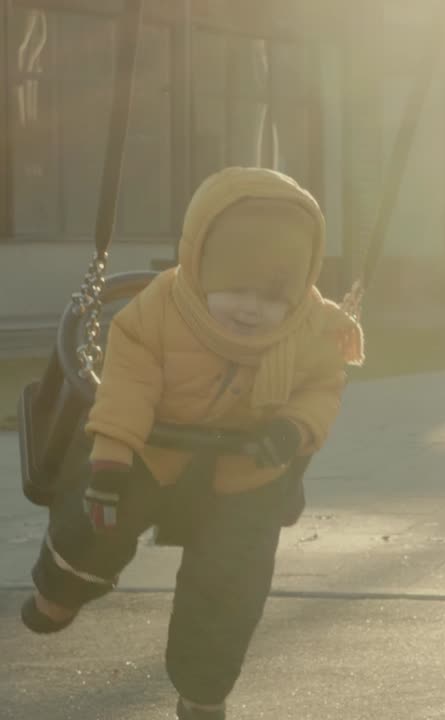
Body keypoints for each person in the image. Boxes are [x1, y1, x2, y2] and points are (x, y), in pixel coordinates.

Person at [20, 167, 364, 719]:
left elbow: (322, 387)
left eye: (273, 295)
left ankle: (203, 690)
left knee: (232, 581)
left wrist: (293, 430)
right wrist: (111, 460)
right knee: (92, 513)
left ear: (300, 289)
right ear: (201, 266)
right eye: (237, 288)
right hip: (148, 449)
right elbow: (128, 380)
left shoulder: (314, 328)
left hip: (247, 464)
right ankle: (58, 593)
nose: (252, 308)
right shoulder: (161, 308)